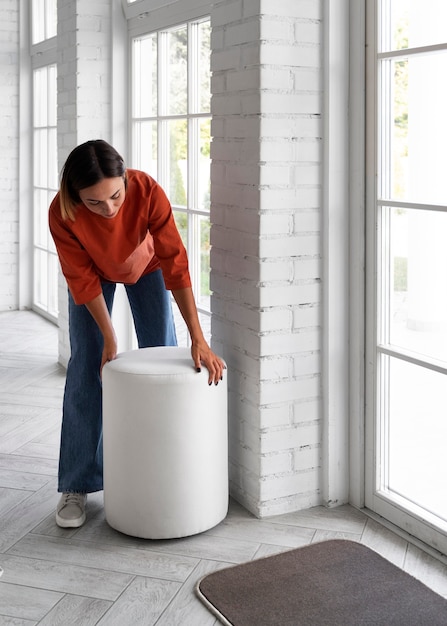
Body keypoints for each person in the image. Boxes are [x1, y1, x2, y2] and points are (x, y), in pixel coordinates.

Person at [49, 139, 225, 528]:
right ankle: (77, 483)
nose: (109, 209)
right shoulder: (62, 213)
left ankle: (167, 470)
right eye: (95, 203)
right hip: (92, 277)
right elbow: (80, 277)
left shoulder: (146, 191)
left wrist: (198, 336)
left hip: (146, 268)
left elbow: (175, 263)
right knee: (86, 367)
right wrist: (109, 336)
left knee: (166, 358)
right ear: (75, 196)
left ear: (125, 178)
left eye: (115, 195)